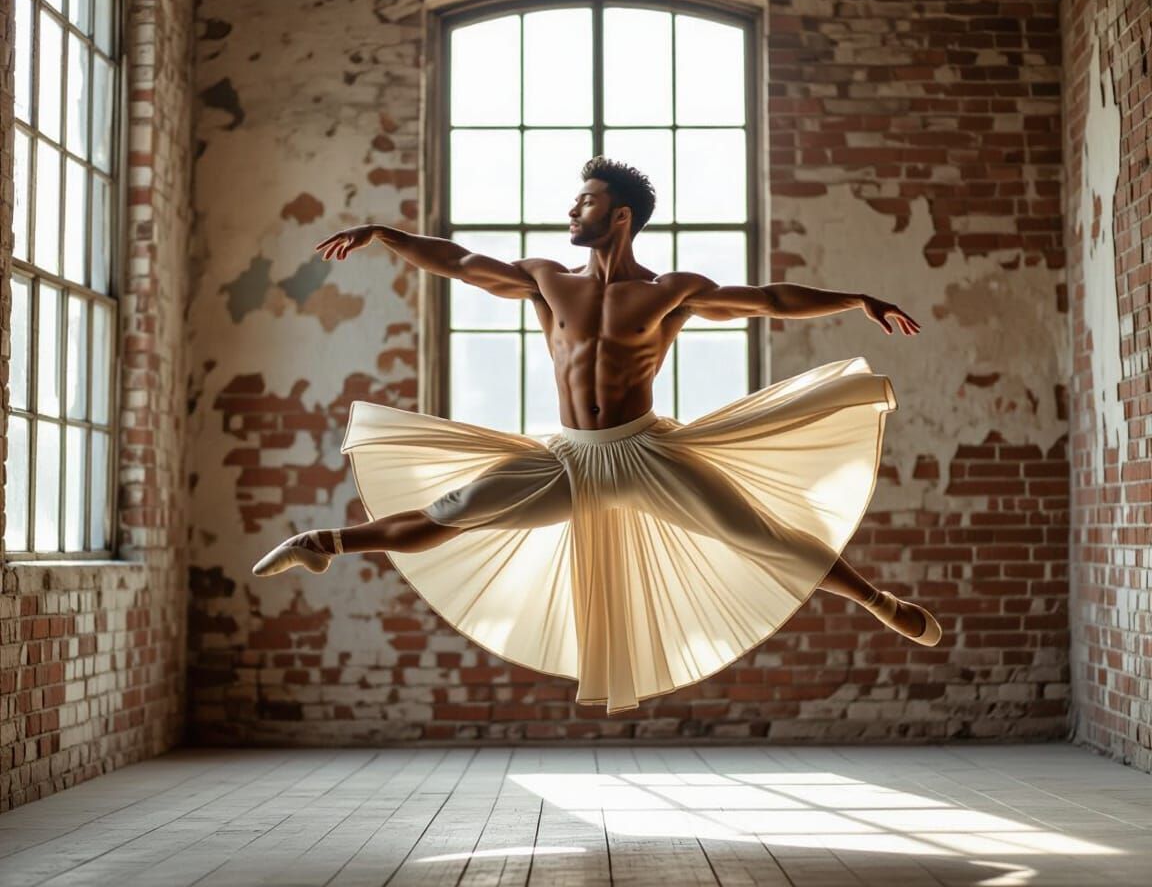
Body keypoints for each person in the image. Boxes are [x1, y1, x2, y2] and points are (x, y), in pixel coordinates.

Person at [253, 156, 941, 714]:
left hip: (647, 455)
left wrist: (856, 298)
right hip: (570, 460)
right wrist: (383, 234)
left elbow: (769, 300)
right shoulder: (546, 279)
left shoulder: (671, 289)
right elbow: (459, 261)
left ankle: (882, 603)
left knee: (761, 537)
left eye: (583, 201)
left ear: (618, 216)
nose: (570, 211)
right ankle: (322, 544)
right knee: (454, 512)